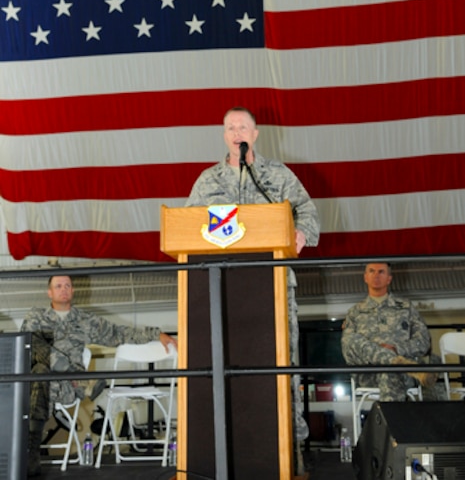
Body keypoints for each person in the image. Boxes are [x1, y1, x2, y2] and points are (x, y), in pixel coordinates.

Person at [185, 106, 320, 471]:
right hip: (221, 291)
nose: (236, 132)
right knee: (224, 364)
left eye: (243, 126)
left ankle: (289, 455)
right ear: (223, 134)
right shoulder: (207, 180)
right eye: (230, 127)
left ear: (255, 134)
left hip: (272, 286)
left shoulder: (277, 174)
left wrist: (301, 233)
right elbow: (187, 226)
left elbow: (308, 211)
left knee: (280, 363)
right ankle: (225, 454)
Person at [21, 273, 177, 477]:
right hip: (45, 384)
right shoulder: (36, 316)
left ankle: (30, 453)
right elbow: (25, 346)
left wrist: (156, 334)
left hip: (67, 388)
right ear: (49, 292)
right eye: (58, 286)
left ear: (73, 290)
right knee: (34, 349)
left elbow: (119, 333)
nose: (64, 289)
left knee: (38, 373)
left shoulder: (86, 321)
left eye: (68, 285)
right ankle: (83, 378)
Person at [341, 262, 437, 401]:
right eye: (372, 271)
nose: (376, 275)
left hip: (403, 374)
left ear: (389, 279)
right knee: (349, 339)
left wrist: (397, 349)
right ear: (365, 277)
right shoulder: (355, 312)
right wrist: (389, 357)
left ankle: (395, 363)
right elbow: (348, 349)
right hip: (369, 374)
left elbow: (423, 341)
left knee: (389, 371)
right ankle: (396, 361)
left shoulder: (406, 307)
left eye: (381, 272)